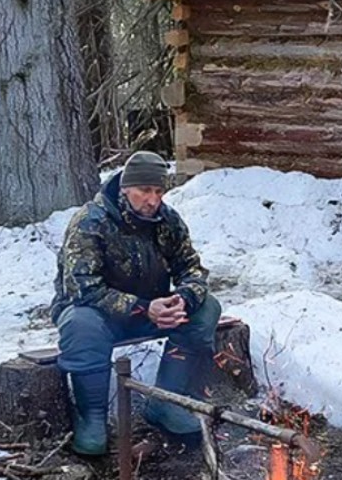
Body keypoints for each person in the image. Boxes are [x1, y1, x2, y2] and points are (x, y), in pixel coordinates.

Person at [51, 151, 221, 456]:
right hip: (98, 315)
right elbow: (83, 289)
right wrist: (144, 307)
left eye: (159, 191)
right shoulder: (90, 222)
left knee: (207, 308)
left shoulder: (167, 221)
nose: (152, 200)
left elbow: (192, 269)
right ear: (125, 187)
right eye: (145, 191)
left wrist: (181, 299)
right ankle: (93, 420)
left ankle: (166, 402)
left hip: (149, 312)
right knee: (80, 323)